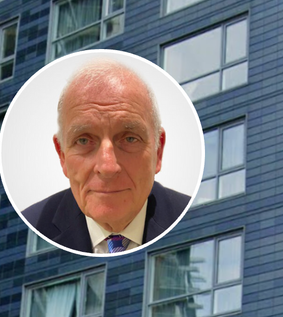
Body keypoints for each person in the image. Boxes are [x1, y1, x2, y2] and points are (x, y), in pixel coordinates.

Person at [22, 60, 190, 255]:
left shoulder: (191, 215)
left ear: (158, 151)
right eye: (83, 141)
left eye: (129, 139)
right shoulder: (33, 224)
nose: (108, 167)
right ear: (62, 155)